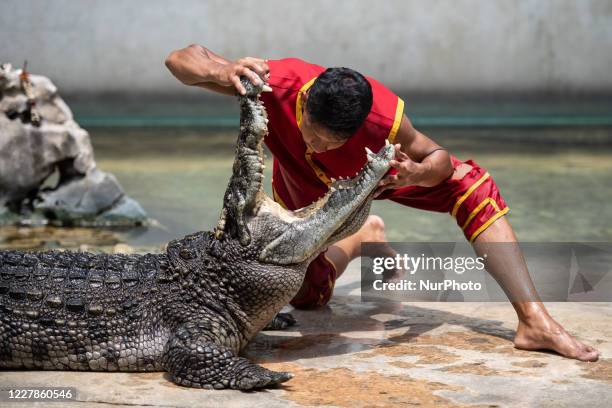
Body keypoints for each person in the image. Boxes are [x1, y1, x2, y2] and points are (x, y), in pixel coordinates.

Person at [165, 44, 600, 362]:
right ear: (304, 105)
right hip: (301, 187)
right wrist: (224, 72)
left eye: (325, 141)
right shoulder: (274, 82)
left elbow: (440, 160)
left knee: (474, 184)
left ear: (358, 129)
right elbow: (180, 59)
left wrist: (418, 174)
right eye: (309, 133)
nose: (313, 144)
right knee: (306, 298)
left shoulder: (384, 118)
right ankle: (363, 235)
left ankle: (534, 320)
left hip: (379, 174)